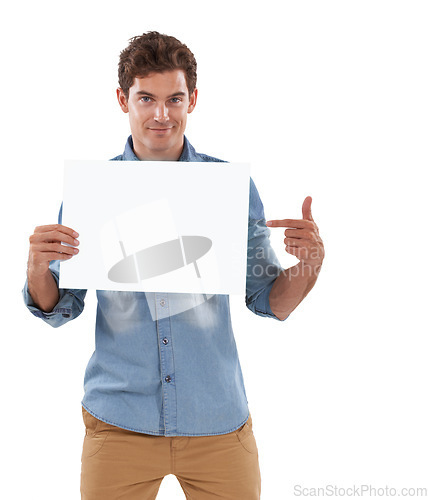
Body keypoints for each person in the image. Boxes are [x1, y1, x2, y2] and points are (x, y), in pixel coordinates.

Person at [23, 31, 324, 500]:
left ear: (193, 100)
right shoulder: (92, 191)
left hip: (217, 421)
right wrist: (37, 270)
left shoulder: (229, 189)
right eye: (147, 98)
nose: (161, 114)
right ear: (124, 99)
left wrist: (308, 266)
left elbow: (268, 302)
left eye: (174, 99)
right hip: (119, 422)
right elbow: (62, 307)